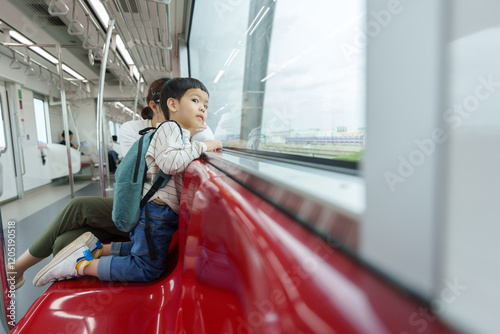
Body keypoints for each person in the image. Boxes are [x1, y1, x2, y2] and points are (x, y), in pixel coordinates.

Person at [8, 77, 215, 289]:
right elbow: (156, 169)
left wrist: (191, 136)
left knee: (64, 241)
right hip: (148, 205)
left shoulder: (187, 132)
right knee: (143, 264)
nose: (200, 109)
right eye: (194, 101)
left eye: (204, 105)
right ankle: (70, 265)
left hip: (156, 209)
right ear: (162, 105)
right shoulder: (162, 130)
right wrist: (199, 143)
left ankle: (87, 253)